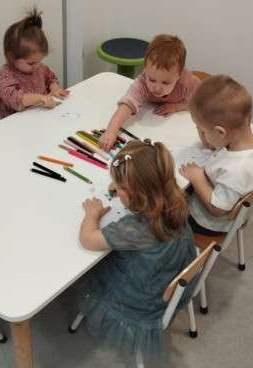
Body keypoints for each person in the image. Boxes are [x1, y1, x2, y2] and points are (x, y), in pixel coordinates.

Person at [77, 139, 197, 367]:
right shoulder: (176, 201)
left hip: (140, 301)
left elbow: (88, 239)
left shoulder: (135, 230)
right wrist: (127, 189)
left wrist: (92, 213)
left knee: (94, 267)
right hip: (170, 276)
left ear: (129, 194)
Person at [179, 75, 253, 235]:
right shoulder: (245, 133)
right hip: (213, 187)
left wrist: (197, 177)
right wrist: (212, 138)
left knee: (161, 206)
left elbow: (216, 209)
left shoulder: (237, 170)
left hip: (205, 221)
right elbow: (220, 142)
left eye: (203, 130)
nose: (202, 134)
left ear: (220, 132)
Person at [99, 34, 201, 151]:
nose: (157, 88)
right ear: (146, 68)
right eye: (152, 80)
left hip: (180, 127)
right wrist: (111, 131)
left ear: (179, 75)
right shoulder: (143, 81)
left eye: (165, 82)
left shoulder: (188, 83)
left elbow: (202, 104)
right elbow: (127, 104)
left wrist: (176, 107)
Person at [0, 7, 69, 119]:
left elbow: (51, 77)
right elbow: (14, 99)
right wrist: (39, 98)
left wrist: (54, 88)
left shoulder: (39, 68)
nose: (36, 66)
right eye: (30, 63)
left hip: (42, 117)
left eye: (39, 61)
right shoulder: (6, 74)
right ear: (11, 56)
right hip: (17, 123)